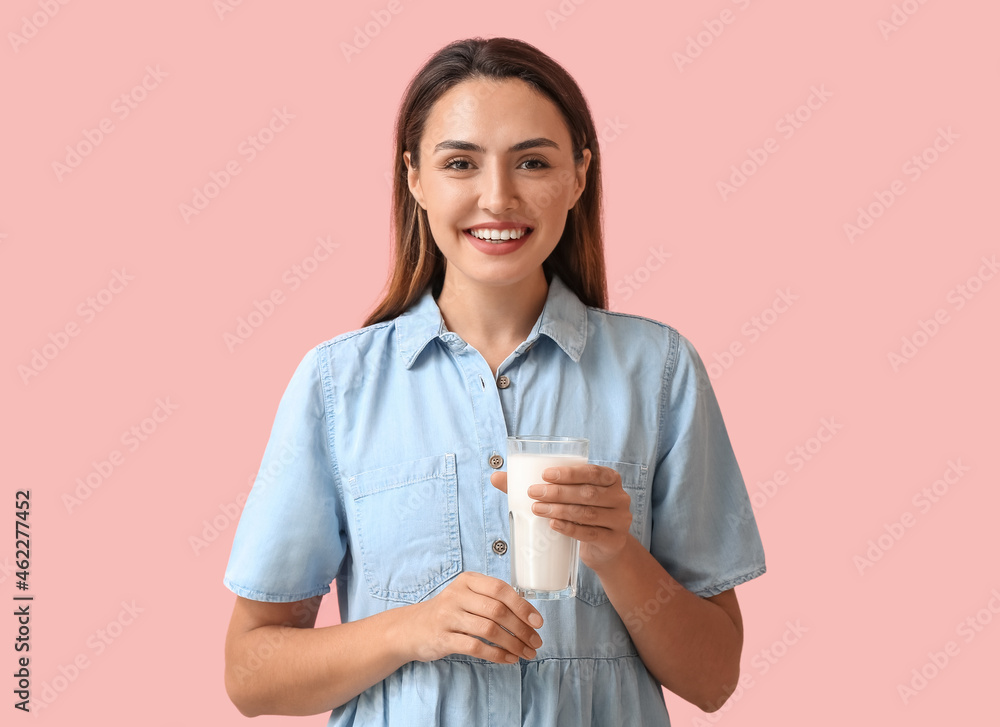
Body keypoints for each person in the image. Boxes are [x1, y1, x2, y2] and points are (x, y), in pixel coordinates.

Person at [222, 36, 766, 726]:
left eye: (533, 161)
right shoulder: (338, 385)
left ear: (578, 176)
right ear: (415, 178)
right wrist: (407, 629)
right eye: (460, 163)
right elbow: (250, 673)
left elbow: (714, 677)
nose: (498, 197)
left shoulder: (659, 371)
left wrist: (615, 552)